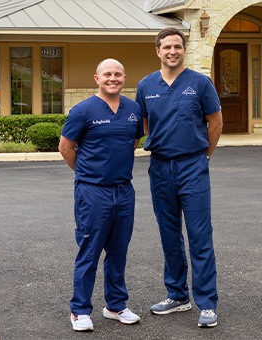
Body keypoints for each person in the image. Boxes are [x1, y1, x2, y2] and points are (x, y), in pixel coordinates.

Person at [135, 27, 223, 328]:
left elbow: (215, 123)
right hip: (160, 169)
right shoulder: (146, 85)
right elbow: (146, 122)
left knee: (200, 236)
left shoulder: (200, 84)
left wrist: (203, 156)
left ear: (184, 50)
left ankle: (207, 303)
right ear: (157, 51)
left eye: (177, 46)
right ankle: (177, 295)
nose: (172, 51)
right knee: (169, 235)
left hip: (192, 167)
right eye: (166, 46)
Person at [59, 58, 145, 332]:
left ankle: (115, 305)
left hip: (124, 191)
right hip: (92, 192)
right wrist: (88, 174)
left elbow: (132, 142)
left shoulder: (133, 109)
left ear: (124, 77)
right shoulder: (82, 111)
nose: (113, 78)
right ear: (96, 78)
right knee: (90, 250)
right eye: (107, 74)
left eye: (118, 74)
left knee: (118, 251)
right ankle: (80, 310)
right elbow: (66, 147)